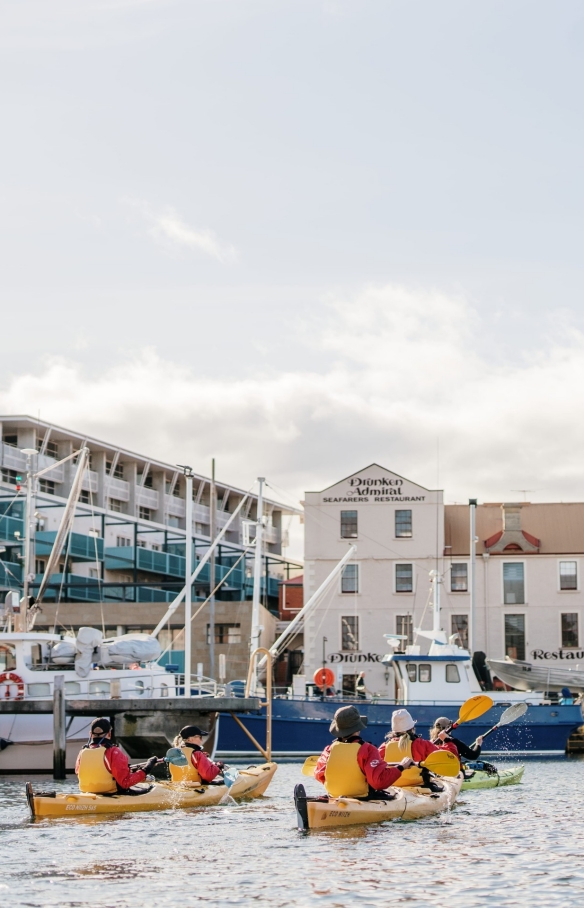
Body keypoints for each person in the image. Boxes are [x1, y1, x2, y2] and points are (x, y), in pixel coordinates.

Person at [314, 705, 414, 799]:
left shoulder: (328, 749)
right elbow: (378, 782)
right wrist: (401, 767)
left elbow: (319, 775)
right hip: (361, 798)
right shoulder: (367, 749)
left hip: (334, 797)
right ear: (358, 727)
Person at [76, 717, 158, 795]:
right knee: (150, 788)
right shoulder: (114, 751)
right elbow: (125, 783)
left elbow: (80, 772)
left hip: (88, 792)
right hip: (111, 793)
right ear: (109, 733)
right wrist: (147, 768)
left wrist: (128, 769)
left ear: (90, 734)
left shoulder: (82, 752)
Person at [380, 708, 450, 791]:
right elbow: (446, 758)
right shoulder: (423, 744)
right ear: (412, 727)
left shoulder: (385, 746)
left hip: (392, 787)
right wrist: (448, 741)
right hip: (419, 787)